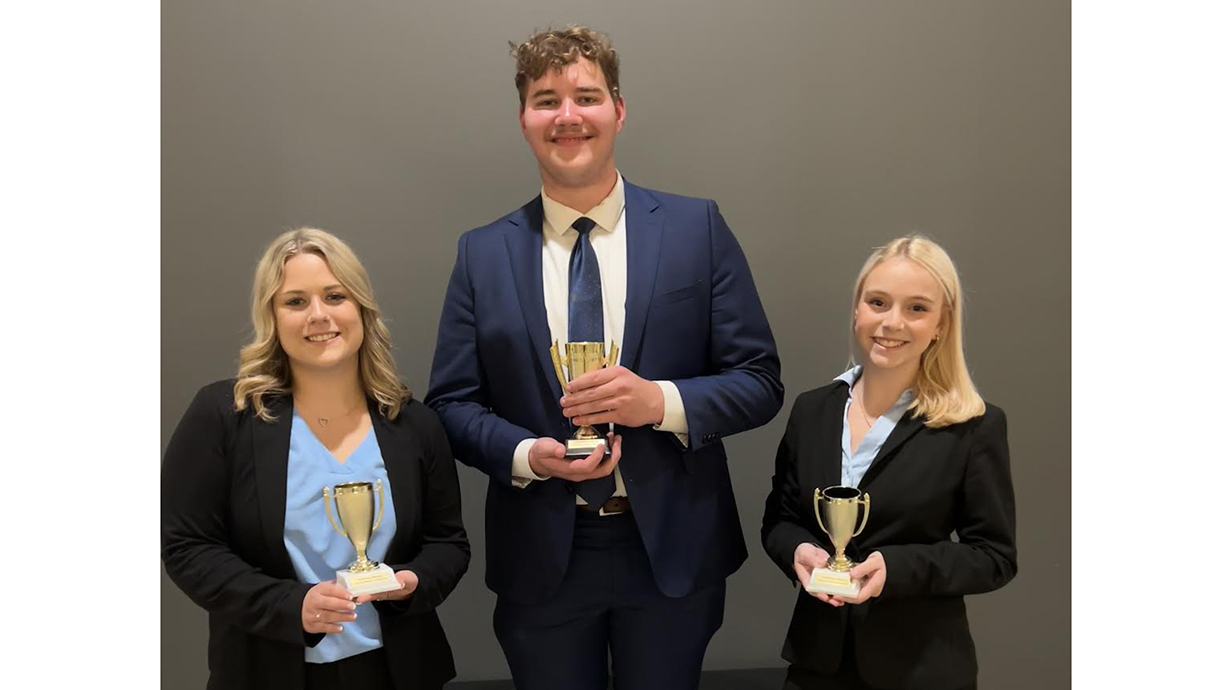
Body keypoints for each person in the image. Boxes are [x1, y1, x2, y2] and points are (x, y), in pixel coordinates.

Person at [425, 26, 783, 690]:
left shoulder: (696, 229)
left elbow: (759, 380)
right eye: (545, 99)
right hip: (543, 557)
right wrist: (529, 456)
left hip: (673, 553)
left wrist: (661, 403)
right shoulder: (481, 254)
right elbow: (450, 405)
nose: (567, 116)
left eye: (586, 97)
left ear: (619, 110)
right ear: (524, 120)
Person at [161, 228, 469, 690]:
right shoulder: (223, 415)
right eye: (296, 302)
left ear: (361, 307)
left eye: (334, 295)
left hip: (396, 672)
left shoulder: (414, 424)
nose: (319, 315)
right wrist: (288, 605)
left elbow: (449, 543)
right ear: (272, 316)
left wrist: (410, 582)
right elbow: (186, 546)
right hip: (267, 671)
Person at [761, 235, 1017, 690]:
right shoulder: (812, 410)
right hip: (817, 664)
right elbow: (779, 521)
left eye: (917, 308)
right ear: (857, 309)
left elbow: (993, 557)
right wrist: (798, 552)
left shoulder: (973, 426)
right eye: (878, 302)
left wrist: (894, 569)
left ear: (941, 324)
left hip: (921, 668)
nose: (891, 322)